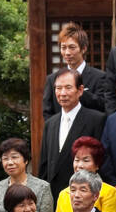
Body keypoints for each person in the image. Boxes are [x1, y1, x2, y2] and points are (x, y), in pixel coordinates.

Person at [39, 68, 107, 197]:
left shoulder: (97, 119)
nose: (62, 93)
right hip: (54, 196)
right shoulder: (50, 123)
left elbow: (102, 161)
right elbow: (44, 165)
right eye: (58, 88)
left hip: (85, 194)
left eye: (68, 87)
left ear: (80, 90)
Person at [40, 22, 114, 117]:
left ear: (83, 49)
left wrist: (79, 92)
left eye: (72, 47)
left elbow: (103, 106)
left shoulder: (100, 77)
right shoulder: (52, 79)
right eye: (63, 48)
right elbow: (47, 112)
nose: (67, 53)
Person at [0, 137, 54, 212]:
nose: (10, 162)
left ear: (25, 160)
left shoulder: (42, 187)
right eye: (5, 158)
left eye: (14, 157)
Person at [53, 137, 116, 212]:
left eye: (86, 160)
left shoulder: (109, 192)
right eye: (77, 160)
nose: (80, 165)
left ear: (97, 165)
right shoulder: (63, 194)